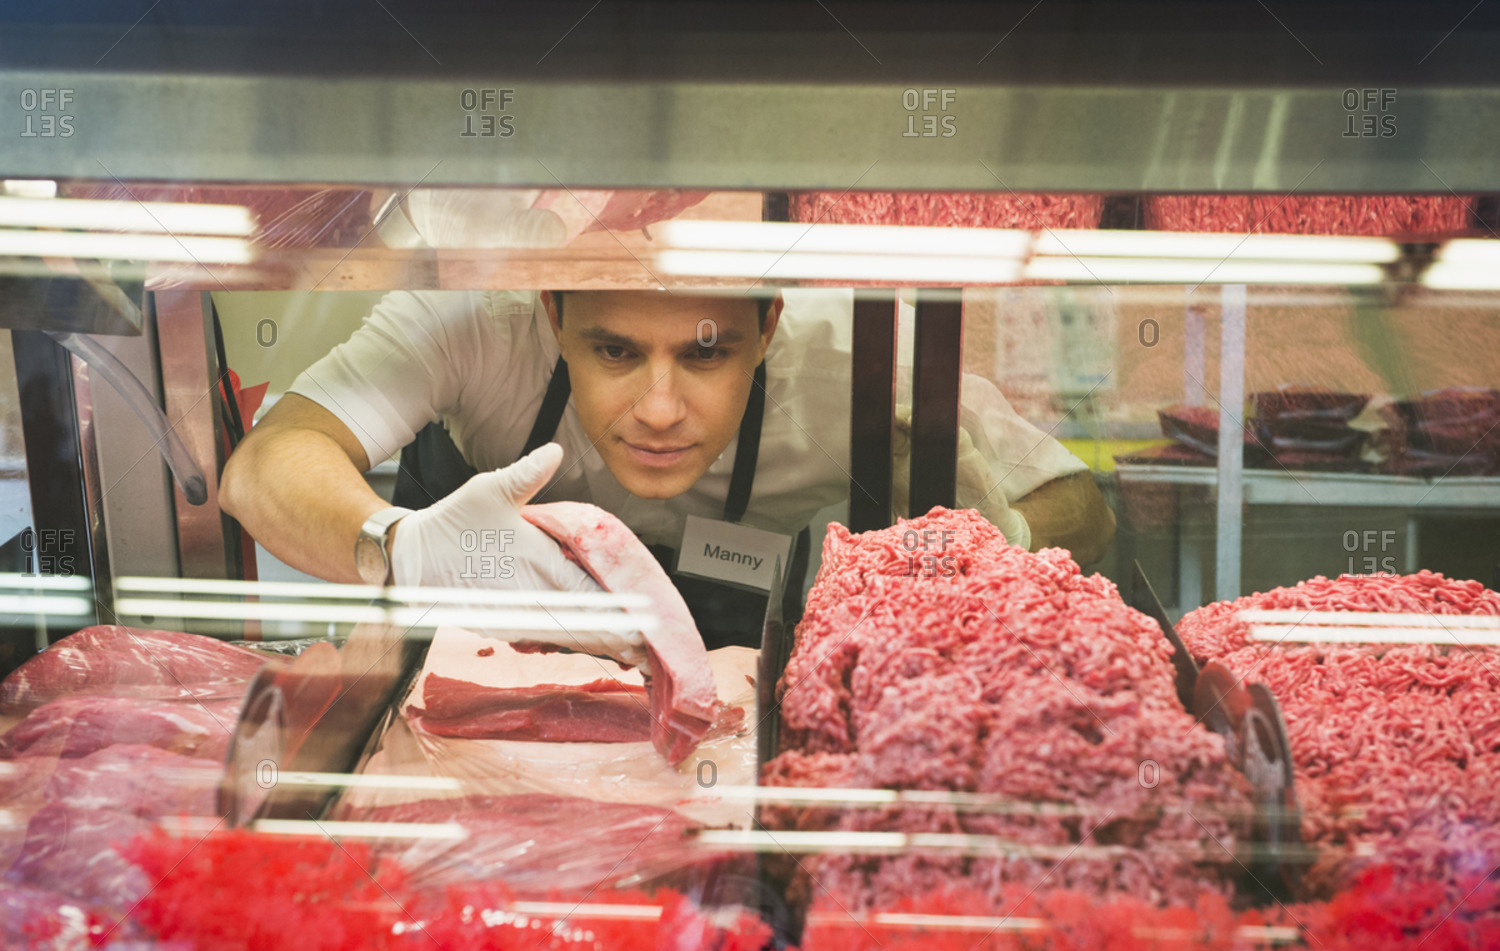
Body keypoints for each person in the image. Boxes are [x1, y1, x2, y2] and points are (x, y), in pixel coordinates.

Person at [218, 288, 1116, 649]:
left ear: (768, 330)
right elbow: (268, 463)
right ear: (551, 316)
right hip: (477, 693)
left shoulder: (852, 355)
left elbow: (1074, 495)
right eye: (611, 352)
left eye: (706, 355)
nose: (656, 408)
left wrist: (1010, 539)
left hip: (733, 701)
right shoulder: (472, 322)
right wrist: (397, 548)